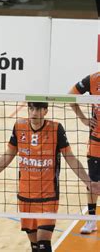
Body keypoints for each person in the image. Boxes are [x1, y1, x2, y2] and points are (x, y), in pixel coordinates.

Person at [0, 102, 100, 252]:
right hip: (25, 197)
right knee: (35, 247)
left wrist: (88, 182)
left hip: (48, 197)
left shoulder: (56, 129)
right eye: (31, 108)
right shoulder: (19, 127)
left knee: (43, 244)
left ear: (45, 111)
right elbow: (8, 155)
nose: (34, 112)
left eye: (38, 109)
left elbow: (70, 158)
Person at [69, 73, 100, 234]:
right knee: (93, 182)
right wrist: (83, 119)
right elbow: (70, 96)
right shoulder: (94, 79)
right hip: (96, 142)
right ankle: (91, 220)